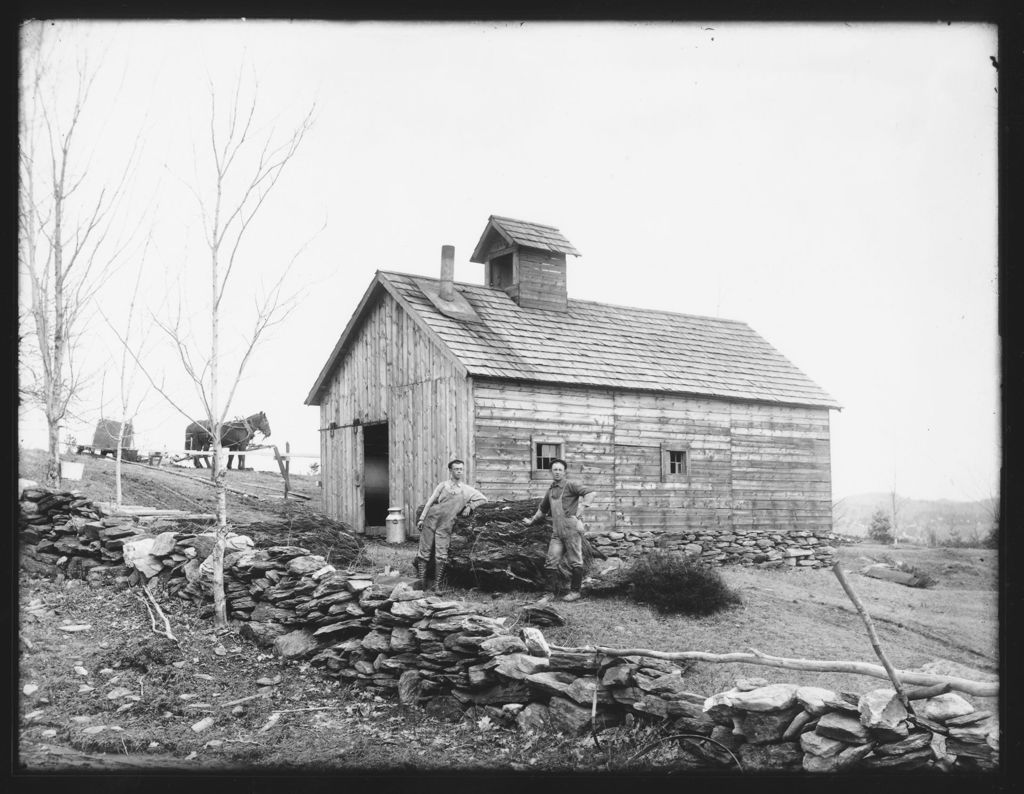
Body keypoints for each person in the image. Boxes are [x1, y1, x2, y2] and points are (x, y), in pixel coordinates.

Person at [523, 458, 596, 602]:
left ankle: (575, 592)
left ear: (564, 472)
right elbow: (542, 510)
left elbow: (591, 493)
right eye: (554, 470)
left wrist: (582, 507)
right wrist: (531, 521)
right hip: (557, 532)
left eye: (560, 470)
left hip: (571, 529)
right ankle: (548, 594)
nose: (557, 472)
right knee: (551, 561)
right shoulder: (550, 490)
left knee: (576, 561)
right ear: (551, 472)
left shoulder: (570, 486)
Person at [414, 459, 487, 590]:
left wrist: (470, 506)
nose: (459, 471)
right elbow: (430, 502)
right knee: (424, 551)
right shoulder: (443, 485)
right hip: (431, 518)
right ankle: (421, 584)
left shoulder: (467, 490)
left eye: (461, 469)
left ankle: (437, 586)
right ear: (450, 471)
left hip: (446, 524)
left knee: (441, 555)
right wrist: (421, 518)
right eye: (456, 469)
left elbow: (483, 499)